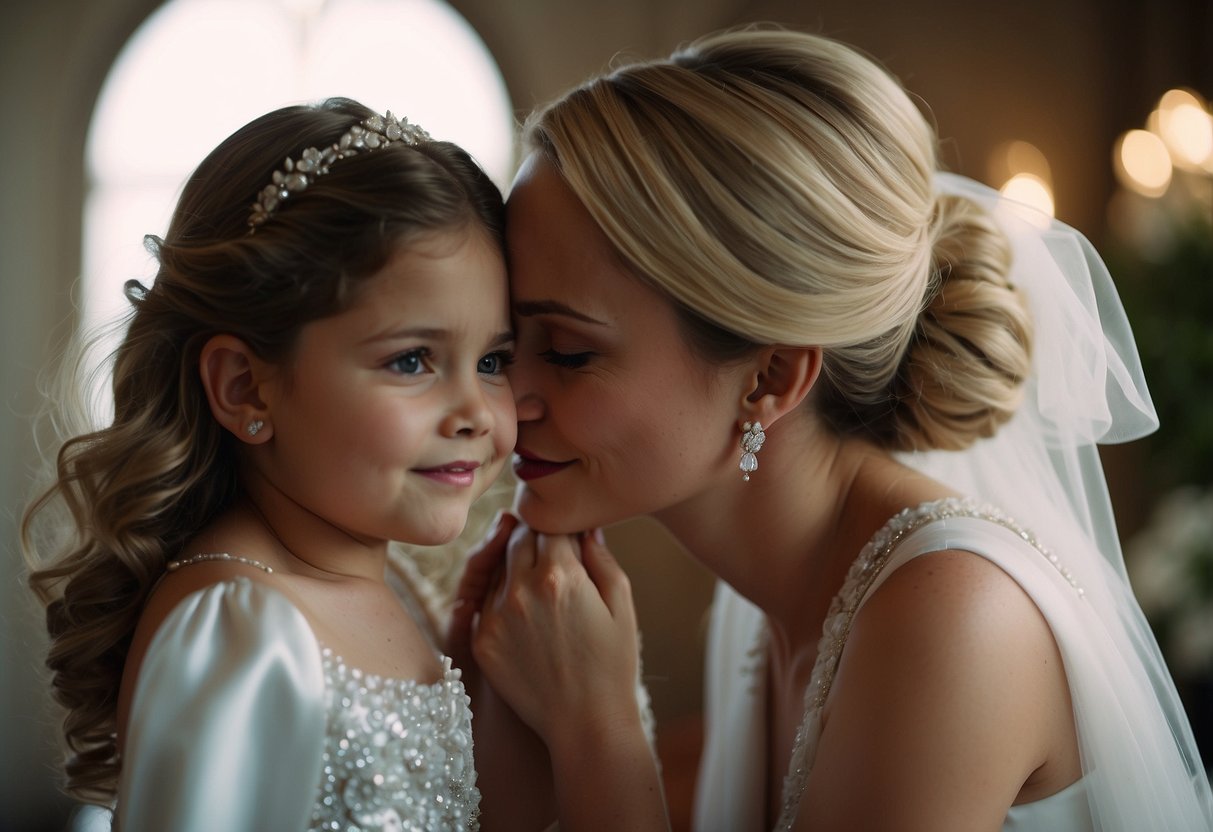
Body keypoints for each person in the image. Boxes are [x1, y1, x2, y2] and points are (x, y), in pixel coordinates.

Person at [457, 26, 1213, 831]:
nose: (507, 396)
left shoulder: (952, 617)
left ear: (770, 379)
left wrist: (595, 732)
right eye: (506, 343)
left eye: (568, 352)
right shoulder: (769, 605)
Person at [22, 98, 519, 830]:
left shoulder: (393, 592)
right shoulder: (237, 630)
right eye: (412, 360)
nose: (474, 410)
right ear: (244, 386)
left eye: (493, 360)